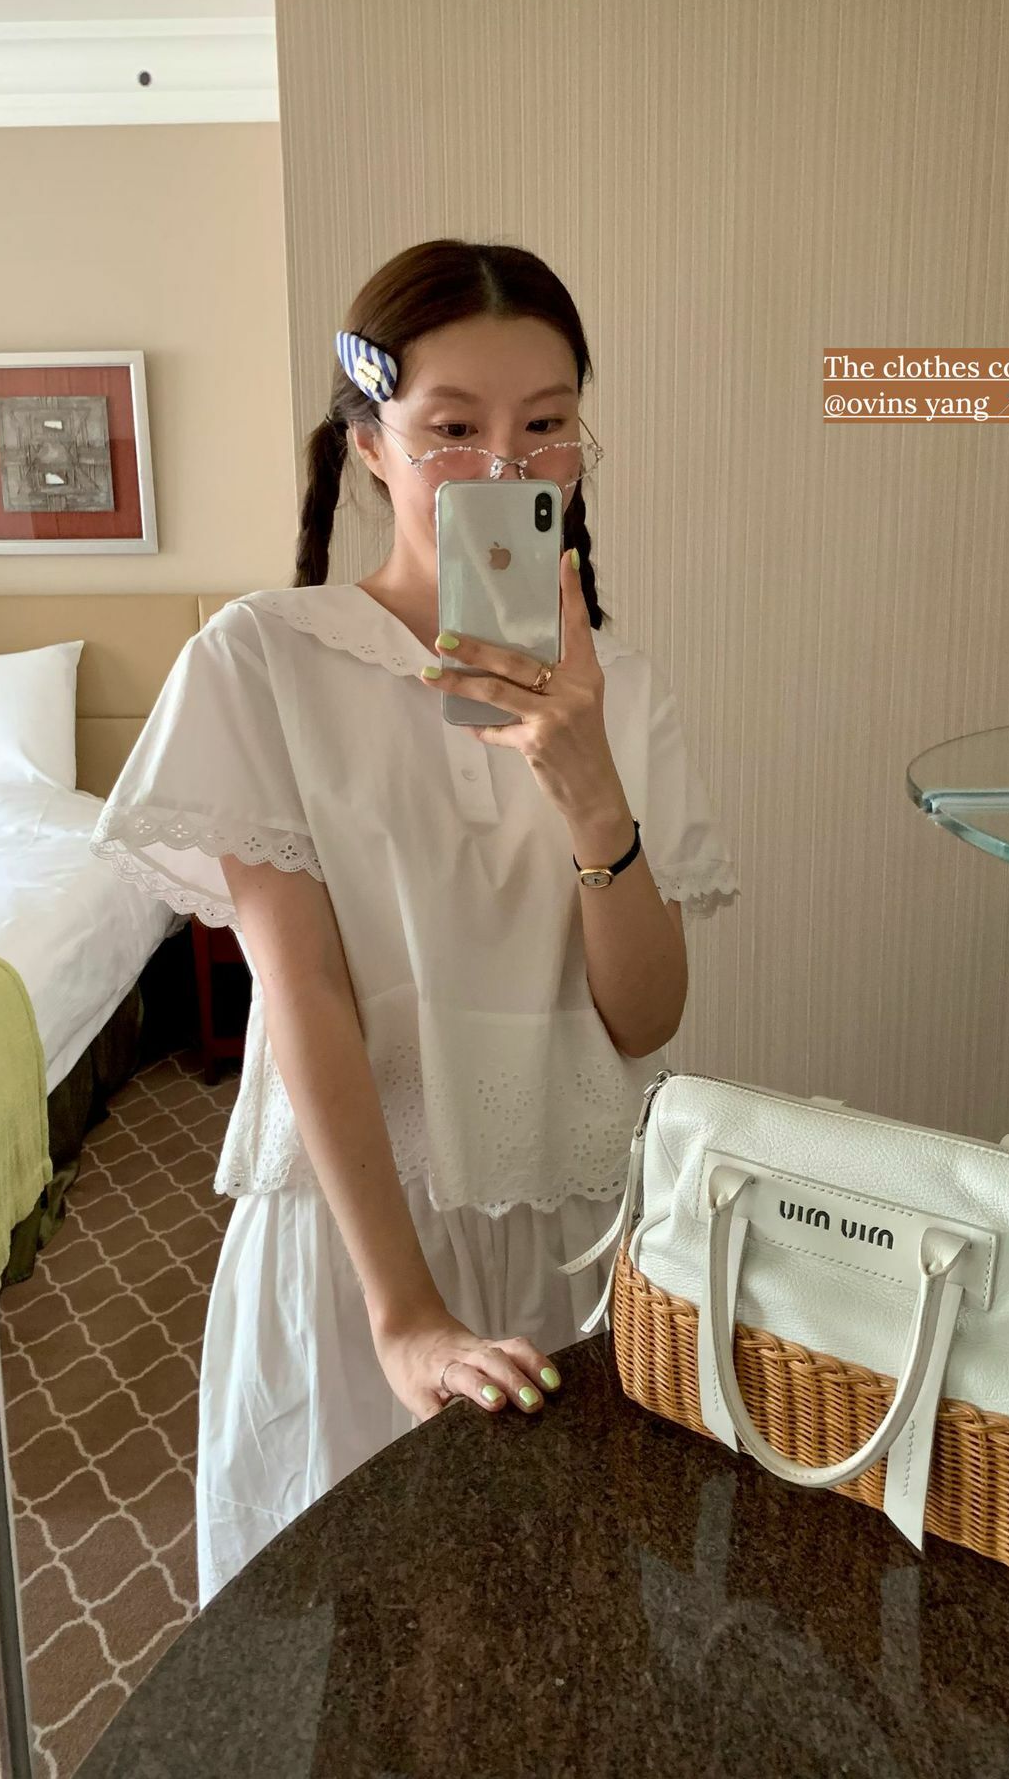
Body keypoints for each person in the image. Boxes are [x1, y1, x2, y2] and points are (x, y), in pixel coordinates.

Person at [89, 238, 740, 1605]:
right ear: (371, 446)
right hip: (359, 1243)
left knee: (568, 1632)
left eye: (546, 425)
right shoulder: (264, 660)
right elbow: (305, 995)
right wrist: (405, 1319)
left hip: (581, 1236)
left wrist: (588, 782)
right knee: (355, 1643)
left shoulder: (623, 692)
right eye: (453, 429)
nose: (506, 468)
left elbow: (645, 1017)